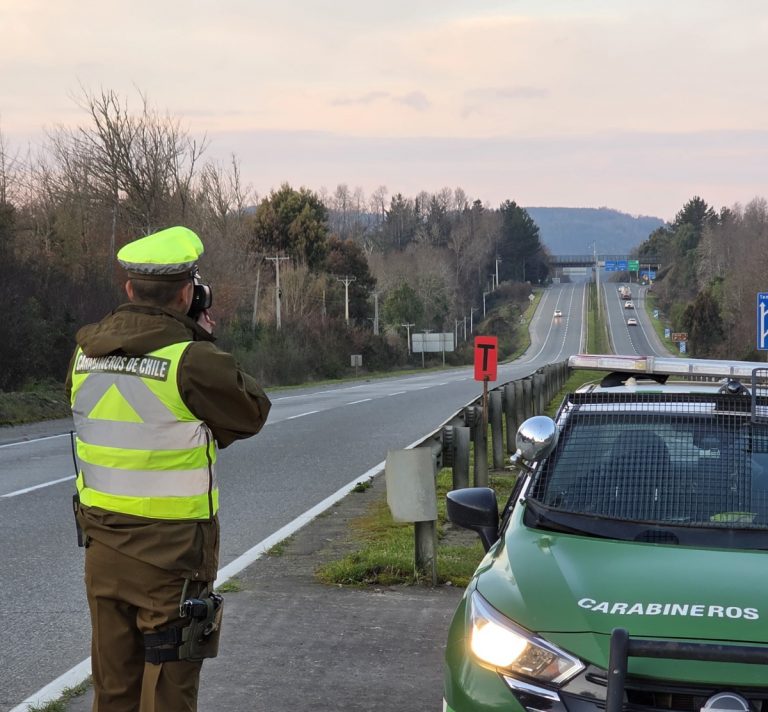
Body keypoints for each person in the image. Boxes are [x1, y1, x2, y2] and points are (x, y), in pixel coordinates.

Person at [65, 225, 271, 712]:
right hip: (171, 561)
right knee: (168, 696)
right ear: (188, 293)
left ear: (129, 290)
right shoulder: (191, 360)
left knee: (113, 693)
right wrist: (202, 337)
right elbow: (252, 411)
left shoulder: (83, 355)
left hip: (103, 553)